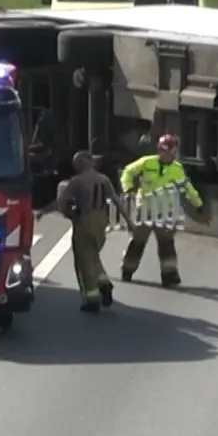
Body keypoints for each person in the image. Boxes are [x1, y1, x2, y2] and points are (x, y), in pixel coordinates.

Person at [49, 151, 131, 313]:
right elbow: (116, 200)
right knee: (92, 255)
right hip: (101, 220)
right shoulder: (103, 179)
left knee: (84, 261)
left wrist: (49, 211)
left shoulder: (76, 181)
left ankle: (92, 298)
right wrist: (129, 222)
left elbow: (61, 201)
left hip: (84, 220)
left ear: (80, 164)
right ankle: (103, 282)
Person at [118, 134, 204, 287]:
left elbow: (186, 187)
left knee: (166, 244)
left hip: (166, 211)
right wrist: (128, 187)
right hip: (146, 208)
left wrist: (197, 203)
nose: (164, 153)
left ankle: (169, 275)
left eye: (168, 150)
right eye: (162, 149)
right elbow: (128, 172)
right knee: (138, 241)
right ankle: (127, 269)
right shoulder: (146, 162)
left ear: (174, 151)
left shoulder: (177, 169)